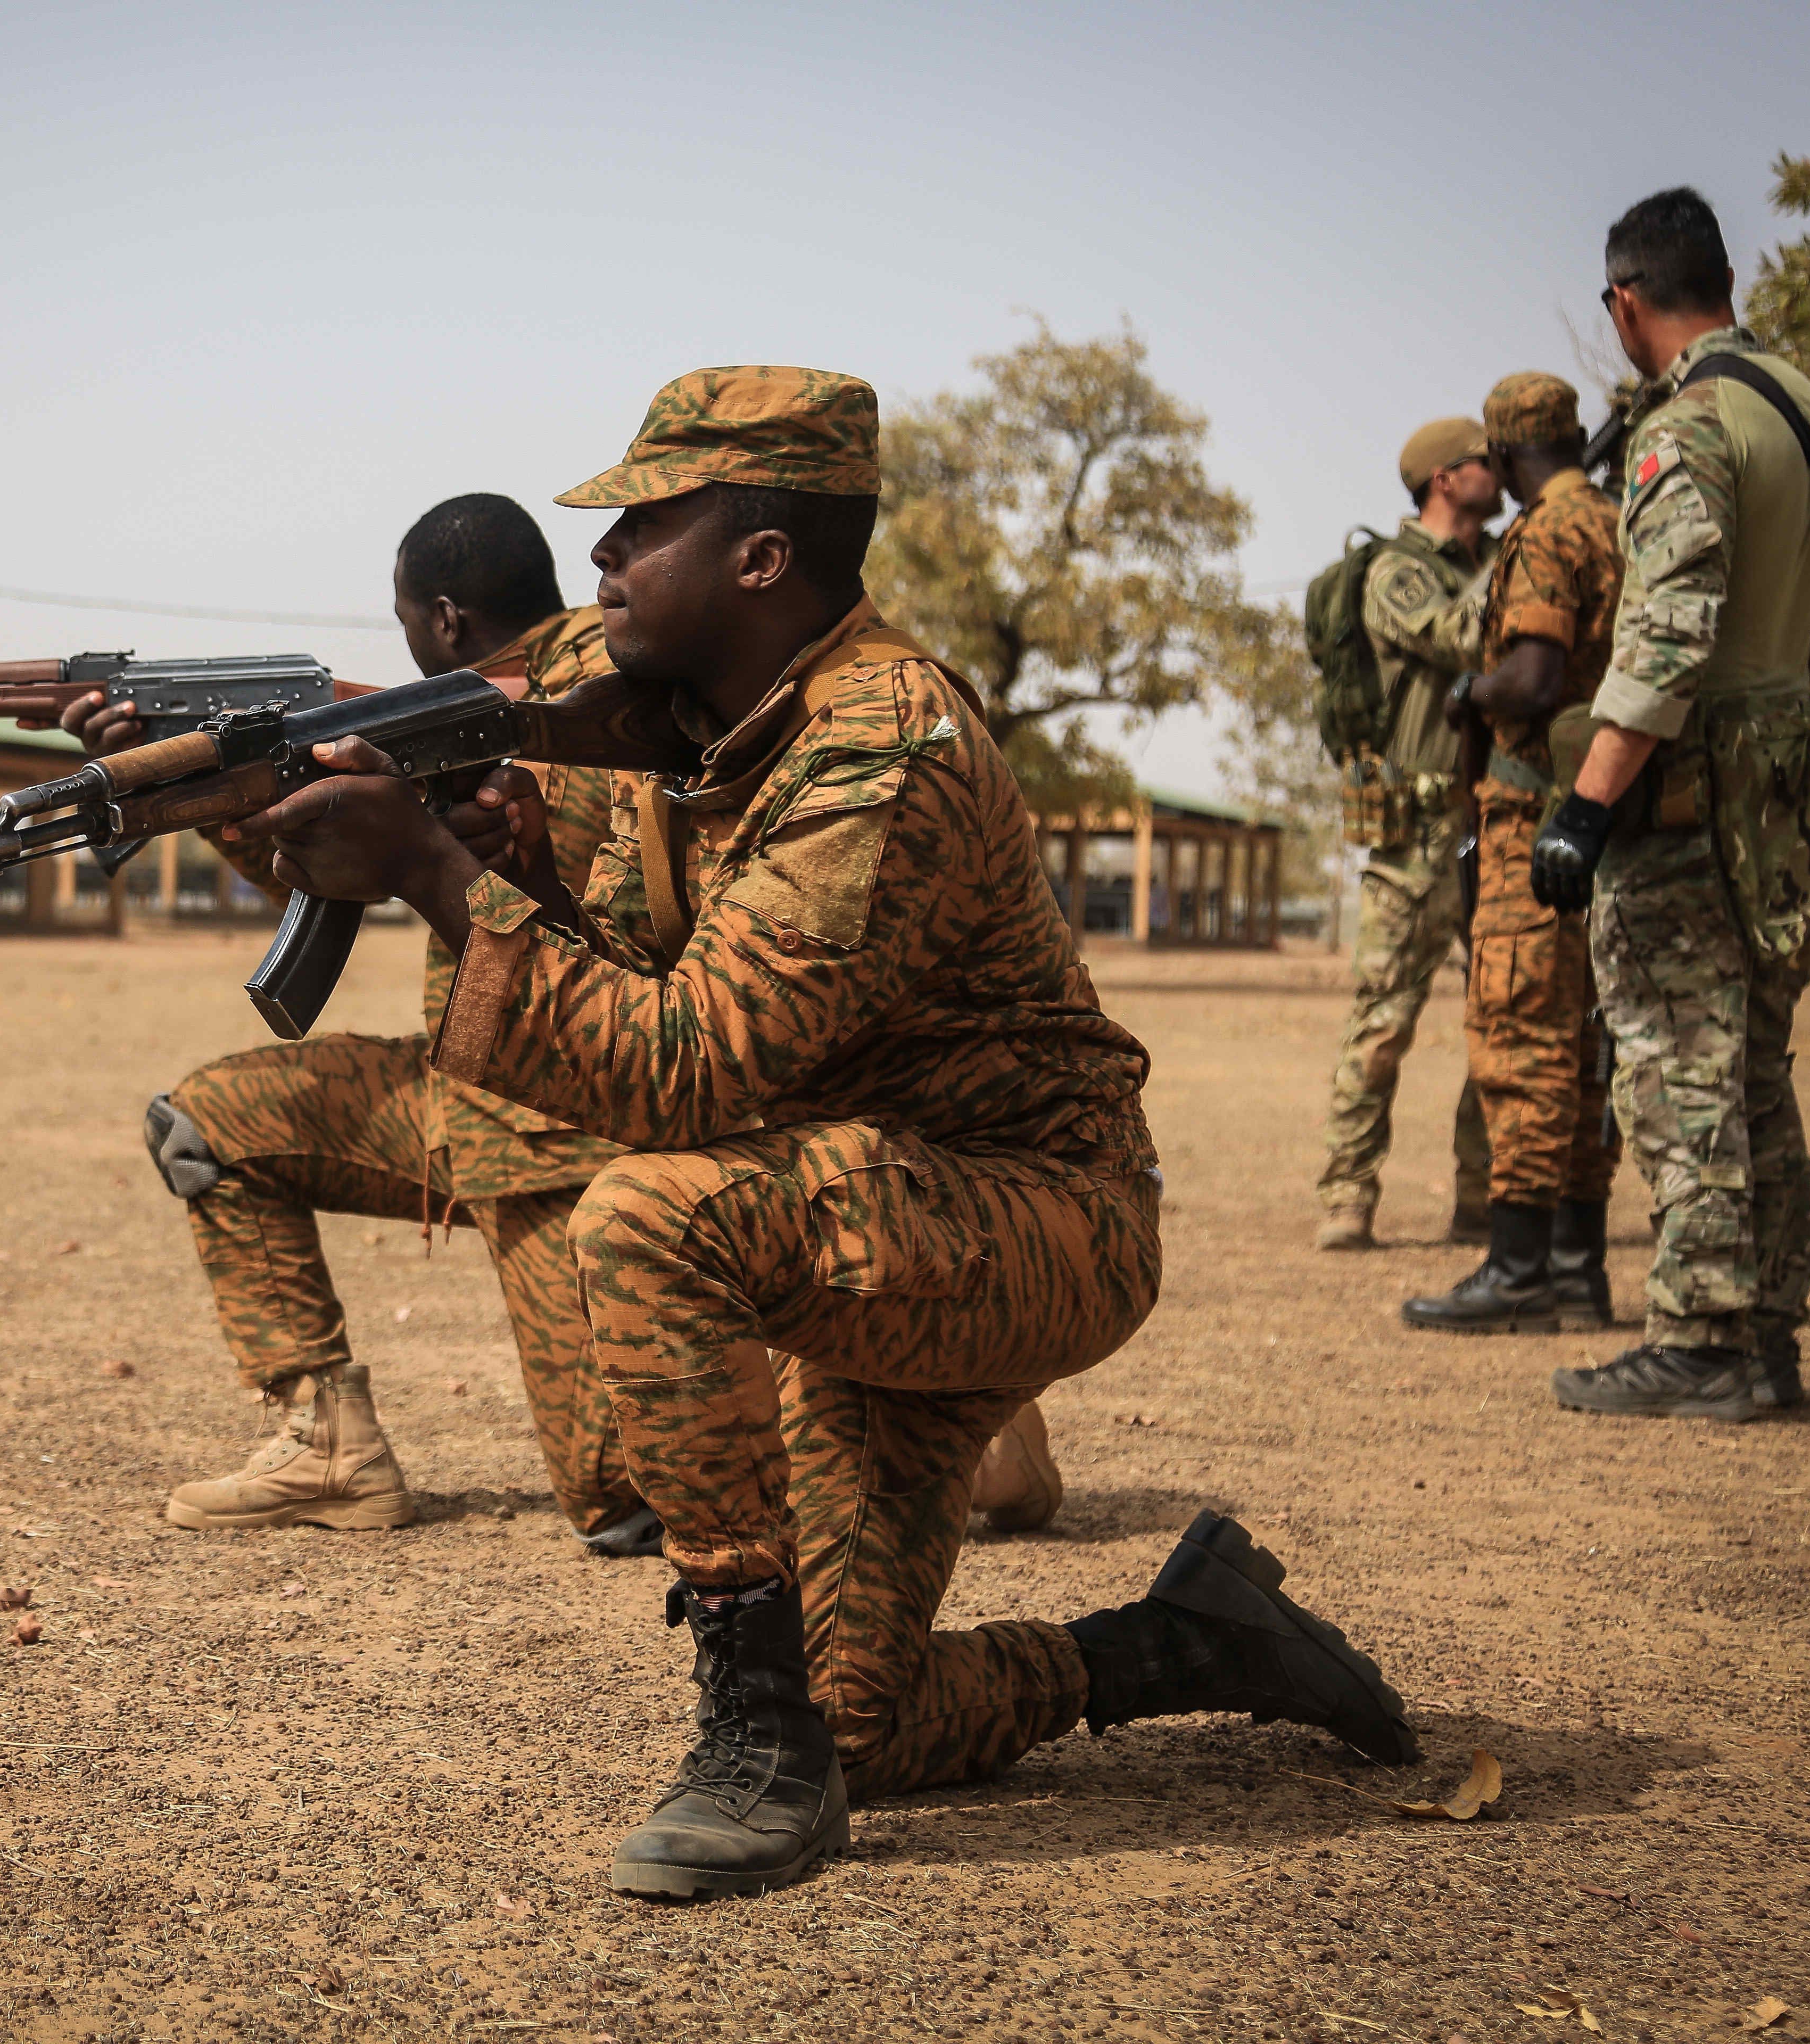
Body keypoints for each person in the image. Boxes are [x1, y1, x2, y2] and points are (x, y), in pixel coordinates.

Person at [241, 367, 1416, 1899]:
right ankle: (1186, 1639)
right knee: (873, 1717)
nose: (599, 560)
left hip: (1032, 1216)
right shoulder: (710, 726)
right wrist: (504, 857)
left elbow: (687, 1068)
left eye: (642, 525)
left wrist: (437, 879)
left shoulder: (883, 745)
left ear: (762, 558)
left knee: (650, 1214)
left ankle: (753, 1739)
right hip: (865, 1215)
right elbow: (669, 974)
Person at [84, 493, 1073, 1543]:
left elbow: (633, 957)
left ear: (447, 618)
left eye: (406, 613)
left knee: (623, 1496)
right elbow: (337, 878)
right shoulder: (463, 712)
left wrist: (440, 841)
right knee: (212, 1127)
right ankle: (327, 1445)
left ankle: (952, 1432)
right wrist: (228, 793)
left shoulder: (597, 704)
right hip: (460, 1093)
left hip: (574, 1129)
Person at [1532, 188, 1810, 1420]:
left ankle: (1700, 1339)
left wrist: (1584, 806)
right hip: (1784, 799)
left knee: (1679, 1068)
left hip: (1685, 804)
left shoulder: (1690, 429)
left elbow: (1667, 640)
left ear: (1627, 303)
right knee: (1757, 1072)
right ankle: (1767, 1338)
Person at [1404, 373, 1624, 1336]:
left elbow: (1533, 679)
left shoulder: (1545, 535)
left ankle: (1518, 1268)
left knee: (1520, 1042)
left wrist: (1470, 694)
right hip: (1596, 822)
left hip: (1530, 826)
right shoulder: (1618, 521)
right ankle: (1578, 1271)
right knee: (1580, 1053)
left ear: (1501, 456)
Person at [1316, 419, 1498, 1252]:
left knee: (1503, 1018)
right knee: (1384, 1020)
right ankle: (1348, 1195)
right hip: (1416, 836)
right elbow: (1463, 637)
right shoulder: (1398, 573)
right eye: (1485, 463)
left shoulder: (1492, 561)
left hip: (1494, 824)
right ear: (1443, 478)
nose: (1501, 473)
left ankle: (1484, 1197)